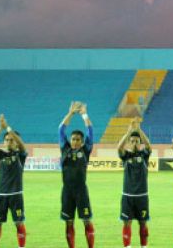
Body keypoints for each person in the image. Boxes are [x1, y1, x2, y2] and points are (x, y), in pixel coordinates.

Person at [59, 101, 95, 248]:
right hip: (67, 191)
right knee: (69, 222)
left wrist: (84, 114)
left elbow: (90, 131)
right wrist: (71, 113)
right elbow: (61, 130)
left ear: (81, 142)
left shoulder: (85, 150)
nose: (74, 141)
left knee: (86, 220)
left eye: (77, 139)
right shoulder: (65, 149)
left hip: (81, 191)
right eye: (73, 139)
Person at [0, 114, 27, 248]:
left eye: (11, 140)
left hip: (16, 195)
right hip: (1, 195)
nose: (8, 142)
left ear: (16, 142)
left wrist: (9, 128)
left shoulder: (20, 155)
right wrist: (1, 129)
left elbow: (22, 145)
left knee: (19, 223)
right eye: (6, 140)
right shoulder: (1, 156)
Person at [118, 117, 152, 248]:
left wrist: (138, 129)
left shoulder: (144, 155)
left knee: (143, 223)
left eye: (137, 141)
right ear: (129, 143)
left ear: (140, 143)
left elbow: (148, 145)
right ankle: (127, 247)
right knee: (127, 223)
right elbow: (119, 147)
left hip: (142, 196)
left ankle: (144, 246)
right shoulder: (125, 156)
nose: (134, 143)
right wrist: (129, 132)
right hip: (127, 196)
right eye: (132, 141)